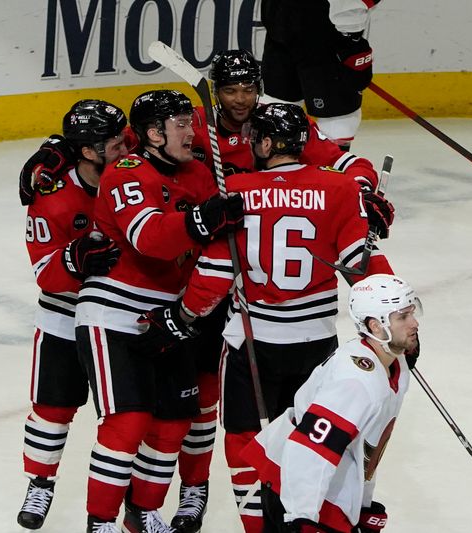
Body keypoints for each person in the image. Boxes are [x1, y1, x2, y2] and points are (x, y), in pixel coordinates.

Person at [141, 103, 394, 533]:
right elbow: (359, 264)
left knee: (245, 442)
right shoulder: (339, 189)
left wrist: (182, 317)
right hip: (316, 346)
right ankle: (306, 521)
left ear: (262, 142)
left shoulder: (236, 190)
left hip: (251, 344)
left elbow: (215, 273)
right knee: (311, 442)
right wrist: (393, 313)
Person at [74, 89, 243, 533]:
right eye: (181, 124)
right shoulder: (126, 170)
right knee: (128, 422)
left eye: (191, 121)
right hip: (113, 310)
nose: (192, 131)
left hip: (169, 315)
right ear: (152, 133)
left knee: (173, 423)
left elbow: (217, 238)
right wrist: (202, 221)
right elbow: (148, 238)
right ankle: (100, 522)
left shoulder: (201, 174)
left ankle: (142, 511)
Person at [16, 99, 126, 529]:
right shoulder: (53, 199)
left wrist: (55, 144)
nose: (124, 146)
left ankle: (127, 502)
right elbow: (45, 273)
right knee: (51, 408)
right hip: (64, 317)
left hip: (122, 317)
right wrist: (74, 260)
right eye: (113, 143)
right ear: (86, 152)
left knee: (126, 416)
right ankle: (40, 483)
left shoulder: (132, 169)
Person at [240, 274, 421, 532]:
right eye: (402, 317)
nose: (414, 323)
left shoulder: (395, 366)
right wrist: (300, 518)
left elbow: (368, 445)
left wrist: (362, 504)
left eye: (412, 313)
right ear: (376, 326)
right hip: (298, 494)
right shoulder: (356, 382)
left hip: (327, 493)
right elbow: (309, 450)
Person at [260, 0, 382, 149]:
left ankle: (331, 169)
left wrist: (351, 34)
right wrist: (351, 32)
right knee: (276, 109)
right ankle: (278, 169)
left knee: (337, 120)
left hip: (319, 30)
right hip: (286, 22)